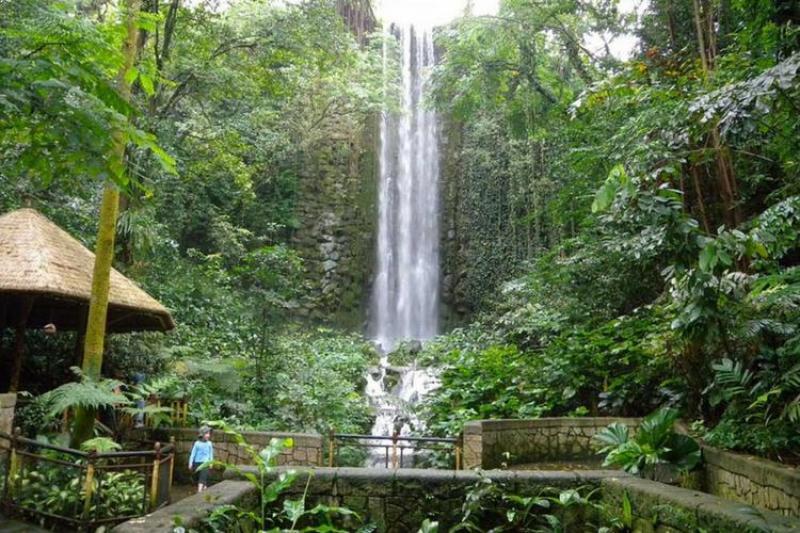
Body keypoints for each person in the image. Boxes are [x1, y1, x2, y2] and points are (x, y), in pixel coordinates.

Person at [189, 426, 214, 492]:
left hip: (206, 463)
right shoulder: (197, 443)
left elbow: (211, 454)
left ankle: (199, 491)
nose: (208, 435)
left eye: (209, 433)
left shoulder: (209, 444)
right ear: (202, 435)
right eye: (206, 433)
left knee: (203, 475)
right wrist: (190, 463)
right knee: (199, 477)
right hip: (197, 463)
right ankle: (204, 488)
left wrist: (211, 462)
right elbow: (193, 454)